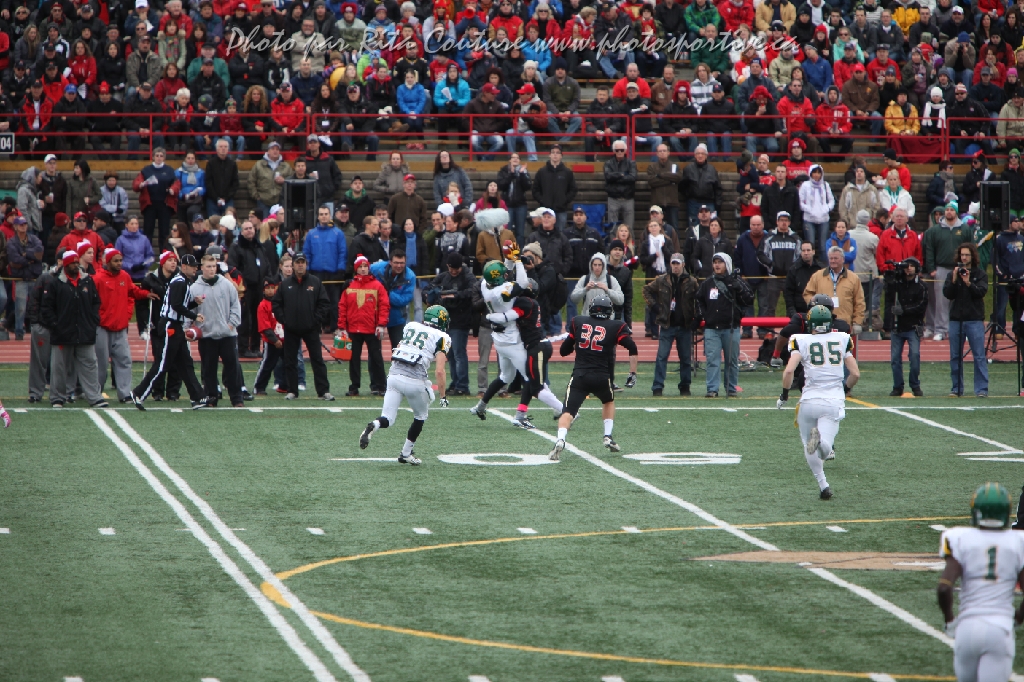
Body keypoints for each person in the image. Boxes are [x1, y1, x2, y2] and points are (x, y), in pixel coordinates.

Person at [938, 483, 1024, 682]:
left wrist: (949, 620)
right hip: (1000, 628)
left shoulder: (959, 538)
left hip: (967, 628)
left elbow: (943, 588)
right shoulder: (1018, 542)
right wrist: (1018, 618)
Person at [776, 304, 860, 500]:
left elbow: (789, 371)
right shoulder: (842, 338)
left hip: (808, 401)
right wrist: (845, 390)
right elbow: (855, 374)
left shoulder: (800, 340)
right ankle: (821, 443)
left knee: (809, 446)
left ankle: (823, 485)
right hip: (832, 401)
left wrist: (784, 395)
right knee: (824, 449)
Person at [470, 255, 563, 428]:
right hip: (512, 341)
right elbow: (521, 283)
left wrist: (509, 260)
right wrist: (518, 262)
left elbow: (504, 276)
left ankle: (480, 406)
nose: (507, 275)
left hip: (499, 339)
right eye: (503, 275)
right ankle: (558, 410)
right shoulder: (509, 295)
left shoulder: (485, 285)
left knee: (506, 376)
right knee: (532, 380)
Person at [547, 293, 638, 460]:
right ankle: (607, 435)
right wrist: (632, 373)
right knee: (608, 401)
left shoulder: (578, 322)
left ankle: (560, 439)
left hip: (580, 376)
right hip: (602, 376)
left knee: (568, 411)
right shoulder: (616, 326)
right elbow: (632, 347)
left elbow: (563, 351)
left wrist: (576, 342)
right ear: (609, 311)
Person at [358, 305, 451, 465]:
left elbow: (402, 348)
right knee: (420, 416)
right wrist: (443, 396)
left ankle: (374, 424)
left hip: (394, 376)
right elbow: (440, 371)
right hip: (415, 381)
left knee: (387, 418)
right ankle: (406, 453)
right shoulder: (442, 336)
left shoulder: (411, 326)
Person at [130, 254, 211, 410]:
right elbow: (176, 305)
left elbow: (180, 304)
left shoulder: (183, 281)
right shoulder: (180, 282)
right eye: (192, 266)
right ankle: (138, 393)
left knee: (186, 363)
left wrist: (194, 303)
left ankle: (197, 397)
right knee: (163, 364)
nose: (195, 268)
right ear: (184, 266)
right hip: (170, 326)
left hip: (175, 326)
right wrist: (194, 316)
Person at [94, 247, 156, 403]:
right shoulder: (98, 279)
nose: (119, 263)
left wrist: (146, 294)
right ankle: (96, 392)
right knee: (101, 363)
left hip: (120, 327)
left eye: (121, 260)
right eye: (116, 261)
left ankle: (124, 393)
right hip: (102, 327)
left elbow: (133, 291)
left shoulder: (124, 276)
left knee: (124, 360)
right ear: (108, 262)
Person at [271, 253, 334, 400]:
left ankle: (323, 391)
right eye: (297, 262)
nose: (300, 265)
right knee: (290, 361)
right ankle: (292, 391)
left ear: (306, 264)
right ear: (293, 265)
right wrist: (285, 320)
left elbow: (324, 303)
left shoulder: (315, 282)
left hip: (311, 328)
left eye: (302, 262)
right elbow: (276, 304)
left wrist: (315, 320)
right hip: (291, 328)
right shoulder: (285, 284)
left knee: (317, 360)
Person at [696, 252, 754, 398]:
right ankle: (712, 389)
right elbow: (699, 300)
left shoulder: (737, 281)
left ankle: (731, 387)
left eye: (720, 262)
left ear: (726, 264)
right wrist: (705, 315)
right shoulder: (707, 283)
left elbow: (749, 299)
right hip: (712, 328)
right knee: (712, 360)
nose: (717, 265)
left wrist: (739, 289)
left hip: (731, 327)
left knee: (732, 360)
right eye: (715, 262)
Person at [191, 254, 244, 407]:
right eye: (208, 266)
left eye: (214, 266)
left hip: (227, 334)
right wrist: (191, 328)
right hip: (207, 335)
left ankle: (237, 398)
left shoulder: (227, 285)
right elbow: (190, 310)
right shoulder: (194, 288)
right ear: (202, 268)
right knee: (208, 369)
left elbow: (236, 305)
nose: (212, 269)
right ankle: (211, 397)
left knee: (232, 367)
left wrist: (231, 324)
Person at [644, 253, 698, 396]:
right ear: (670, 264)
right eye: (673, 263)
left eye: (678, 263)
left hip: (685, 325)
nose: (675, 266)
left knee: (685, 359)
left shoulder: (692, 282)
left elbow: (699, 299)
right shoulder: (662, 280)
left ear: (683, 264)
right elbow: (646, 290)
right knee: (661, 357)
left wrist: (696, 316)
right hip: (667, 325)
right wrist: (655, 307)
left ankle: (685, 386)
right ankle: (657, 386)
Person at [338, 254, 389, 397]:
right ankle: (354, 386)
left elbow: (384, 305)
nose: (363, 269)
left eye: (365, 266)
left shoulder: (377, 285)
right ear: (356, 269)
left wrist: (381, 324)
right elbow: (342, 306)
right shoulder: (349, 286)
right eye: (360, 266)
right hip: (353, 329)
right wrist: (342, 327)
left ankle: (381, 386)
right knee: (353, 359)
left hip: (372, 328)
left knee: (376, 358)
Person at [428, 252, 476, 396]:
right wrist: (431, 295)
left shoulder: (468, 277)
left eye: (456, 269)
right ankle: (455, 383)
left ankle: (462, 385)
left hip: (461, 321)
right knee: (451, 354)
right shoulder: (444, 276)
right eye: (451, 268)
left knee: (459, 353)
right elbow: (430, 287)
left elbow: (473, 291)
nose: (454, 271)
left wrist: (455, 295)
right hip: (446, 320)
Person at [944, 242, 989, 397]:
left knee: (979, 355)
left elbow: (981, 292)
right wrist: (954, 279)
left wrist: (969, 282)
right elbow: (947, 294)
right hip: (956, 319)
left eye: (967, 255)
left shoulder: (980, 274)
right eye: (962, 255)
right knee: (955, 356)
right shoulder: (953, 274)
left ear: (972, 256)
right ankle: (957, 388)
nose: (964, 258)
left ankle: (981, 389)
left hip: (974, 318)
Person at [924, 201, 972, 341]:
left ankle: (959, 329)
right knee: (941, 301)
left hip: (960, 267)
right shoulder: (935, 230)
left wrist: (970, 266)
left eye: (951, 209)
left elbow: (971, 248)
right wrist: (931, 268)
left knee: (960, 299)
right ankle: (940, 329)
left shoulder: (965, 229)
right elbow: (929, 250)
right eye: (947, 210)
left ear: (956, 212)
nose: (949, 212)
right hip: (942, 268)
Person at [884, 256, 927, 396]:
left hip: (913, 326)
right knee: (895, 359)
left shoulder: (921, 286)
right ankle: (897, 386)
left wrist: (904, 310)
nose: (908, 269)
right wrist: (889, 282)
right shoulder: (898, 284)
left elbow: (921, 306)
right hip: (897, 327)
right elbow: (889, 297)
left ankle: (915, 384)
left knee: (914, 355)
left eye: (911, 266)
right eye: (906, 266)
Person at [302, 205, 347, 334]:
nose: (324, 216)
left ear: (330, 215)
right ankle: (317, 326)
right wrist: (307, 269)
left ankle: (334, 327)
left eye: (326, 214)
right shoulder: (311, 234)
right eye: (321, 214)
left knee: (334, 302)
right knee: (316, 301)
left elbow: (342, 252)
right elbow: (306, 253)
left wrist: (341, 268)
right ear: (318, 216)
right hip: (316, 273)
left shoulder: (338, 233)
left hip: (333, 273)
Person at [6, 215, 44, 341]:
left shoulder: (34, 239)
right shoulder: (12, 242)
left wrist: (25, 254)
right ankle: (19, 331)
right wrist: (30, 259)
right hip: (21, 278)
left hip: (34, 277)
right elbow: (14, 260)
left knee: (35, 306)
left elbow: (39, 254)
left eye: (25, 224)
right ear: (15, 227)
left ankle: (35, 330)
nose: (23, 227)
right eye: (21, 225)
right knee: (20, 307)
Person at [370, 249, 415, 349]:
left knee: (398, 350)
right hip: (376, 314)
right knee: (374, 351)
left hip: (397, 317)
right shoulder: (376, 268)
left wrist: (386, 293)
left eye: (402, 263)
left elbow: (405, 300)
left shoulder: (410, 276)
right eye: (396, 263)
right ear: (390, 262)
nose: (399, 266)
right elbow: (362, 271)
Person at [531, 146, 577, 230]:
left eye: (557, 152)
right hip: (545, 211)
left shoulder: (567, 172)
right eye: (553, 152)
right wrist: (542, 200)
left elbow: (573, 189)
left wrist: (564, 200)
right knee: (544, 233)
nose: (555, 154)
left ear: (561, 156)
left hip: (561, 210)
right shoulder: (542, 172)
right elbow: (535, 189)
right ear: (549, 155)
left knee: (560, 234)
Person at [851, 210, 882, 331]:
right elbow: (877, 254)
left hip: (853, 273)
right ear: (867, 221)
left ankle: (856, 323)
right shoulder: (873, 238)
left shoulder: (849, 235)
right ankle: (864, 324)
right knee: (867, 302)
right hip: (868, 274)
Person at [253, 278, 285, 396]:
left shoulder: (281, 303)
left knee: (289, 363)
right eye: (268, 288)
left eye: (272, 288)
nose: (271, 291)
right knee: (268, 364)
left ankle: (285, 385)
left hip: (284, 338)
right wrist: (274, 340)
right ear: (263, 290)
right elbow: (264, 326)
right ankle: (259, 387)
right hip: (272, 341)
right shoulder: (263, 305)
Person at [604, 140, 637, 229]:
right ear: (614, 151)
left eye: (622, 150)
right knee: (613, 227)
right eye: (617, 150)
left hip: (628, 198)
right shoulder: (608, 163)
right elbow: (608, 177)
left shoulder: (631, 163)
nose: (619, 152)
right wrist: (622, 174)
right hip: (613, 198)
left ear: (625, 151)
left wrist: (615, 176)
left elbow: (633, 178)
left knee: (629, 227)